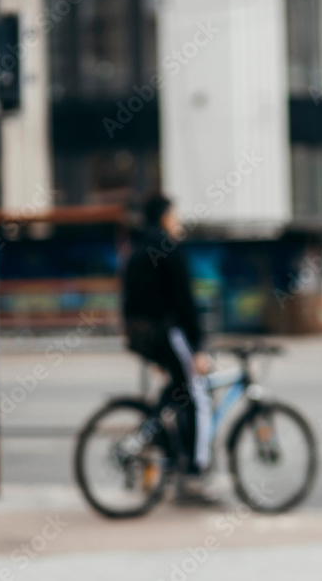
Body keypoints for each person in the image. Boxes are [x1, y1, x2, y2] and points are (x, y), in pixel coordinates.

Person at [121, 193, 217, 506]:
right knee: (199, 396)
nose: (178, 223)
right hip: (166, 333)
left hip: (143, 334)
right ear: (164, 217)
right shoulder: (168, 248)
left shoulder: (135, 248)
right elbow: (184, 303)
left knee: (179, 392)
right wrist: (199, 348)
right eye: (175, 216)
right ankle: (194, 474)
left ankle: (157, 443)